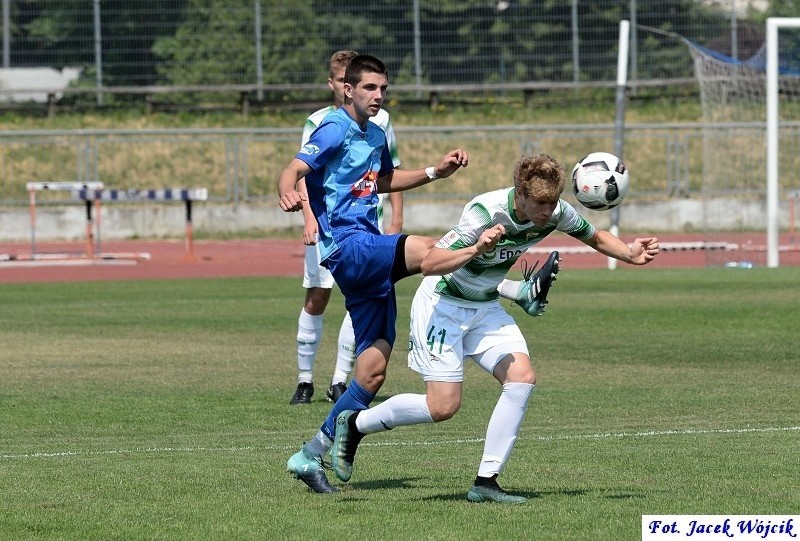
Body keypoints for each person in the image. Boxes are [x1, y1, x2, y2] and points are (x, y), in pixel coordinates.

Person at [329, 153, 661, 503]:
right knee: (442, 408)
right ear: (520, 193)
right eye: (540, 203)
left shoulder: (556, 211)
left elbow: (594, 237)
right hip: (443, 305)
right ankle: (354, 425)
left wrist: (629, 254)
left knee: (522, 377)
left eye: (552, 202)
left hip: (485, 306)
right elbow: (430, 264)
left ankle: (486, 482)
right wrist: (476, 247)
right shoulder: (483, 213)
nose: (548, 211)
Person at [279, 55, 512, 494]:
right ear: (347, 89)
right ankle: (510, 282)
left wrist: (433, 173)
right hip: (348, 246)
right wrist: (290, 194)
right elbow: (293, 171)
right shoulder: (332, 127)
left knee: (371, 372)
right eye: (369, 88)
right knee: (426, 251)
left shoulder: (375, 130)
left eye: (383, 89)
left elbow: (381, 179)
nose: (379, 96)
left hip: (366, 253)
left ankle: (310, 454)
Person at [290, 50, 404, 406]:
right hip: (328, 226)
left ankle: (340, 379)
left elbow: (390, 172)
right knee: (317, 296)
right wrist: (308, 218)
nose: (375, 94)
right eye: (343, 81)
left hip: (366, 227)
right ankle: (305, 380)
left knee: (360, 300)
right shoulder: (322, 123)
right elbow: (305, 174)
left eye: (380, 87)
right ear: (339, 85)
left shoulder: (380, 122)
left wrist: (396, 220)